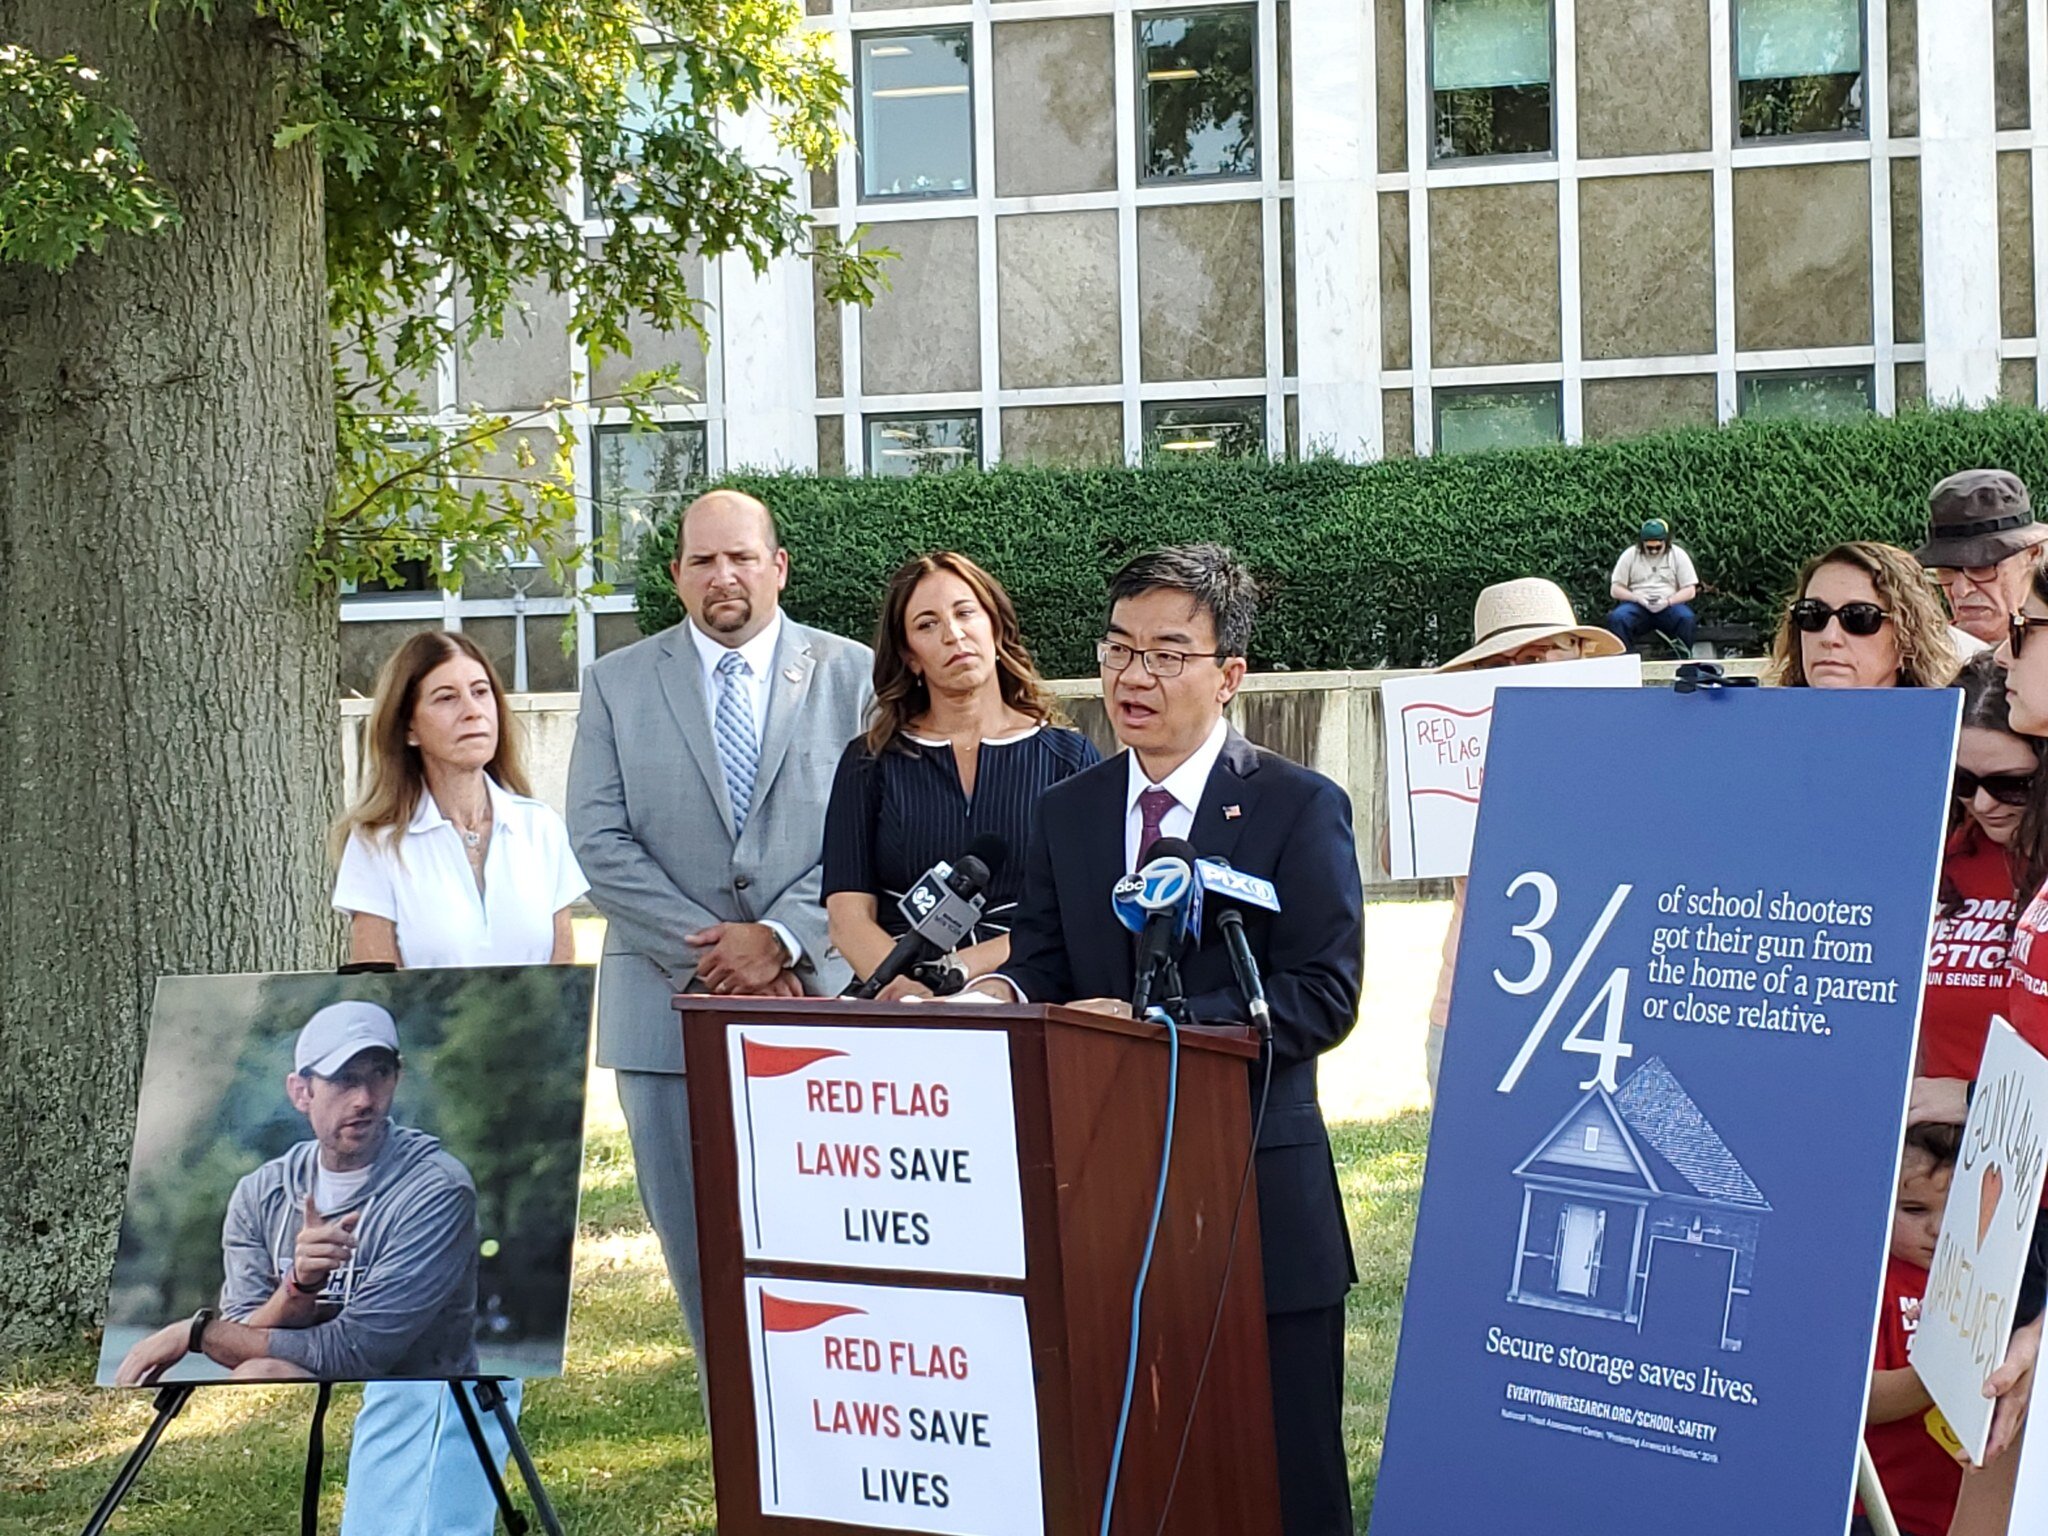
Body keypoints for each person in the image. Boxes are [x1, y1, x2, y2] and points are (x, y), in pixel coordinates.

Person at [967, 544, 1363, 1536]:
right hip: (1108, 1205)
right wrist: (990, 1000)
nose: (1132, 677)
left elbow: (1322, 992)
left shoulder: (1294, 806)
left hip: (1256, 1201)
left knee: (1287, 1481)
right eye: (1116, 649)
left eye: (1165, 655)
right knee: (1132, 1470)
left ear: (1228, 674)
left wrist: (1157, 1031)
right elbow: (1049, 966)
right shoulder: (1068, 810)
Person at [567, 488, 872, 1396]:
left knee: (825, 1235)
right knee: (697, 1246)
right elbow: (598, 839)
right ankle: (736, 1432)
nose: (723, 576)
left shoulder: (852, 675)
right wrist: (717, 955)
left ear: (779, 566)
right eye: (702, 561)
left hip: (815, 1004)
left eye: (741, 557)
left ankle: (832, 1420)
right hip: (663, 1020)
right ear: (677, 577)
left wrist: (781, 938)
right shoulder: (617, 683)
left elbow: (878, 833)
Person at [328, 630, 587, 1536]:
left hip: (520, 1131)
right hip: (416, 1143)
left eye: (482, 691)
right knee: (404, 1366)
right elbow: (371, 1000)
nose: (474, 709)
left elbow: (559, 984)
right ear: (406, 725)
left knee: (497, 1364)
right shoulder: (378, 845)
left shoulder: (539, 829)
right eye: (447, 696)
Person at [114, 1002, 481, 1387]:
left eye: (380, 1075)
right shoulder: (261, 1193)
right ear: (301, 1092)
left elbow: (357, 1354)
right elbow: (241, 1335)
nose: (365, 1099)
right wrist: (298, 1288)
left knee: (263, 1368)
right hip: (310, 1403)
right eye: (345, 1079)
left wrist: (196, 1334)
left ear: (397, 1077)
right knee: (259, 1369)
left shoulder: (437, 1190)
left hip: (422, 1404)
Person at [823, 552, 1100, 998]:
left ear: (995, 626)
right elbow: (847, 914)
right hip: (895, 1007)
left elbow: (1078, 913)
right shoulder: (868, 762)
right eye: (927, 624)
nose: (953, 634)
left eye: (965, 612)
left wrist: (956, 976)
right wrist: (906, 991)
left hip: (1023, 995)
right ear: (911, 656)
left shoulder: (1070, 759)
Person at [1423, 577, 1625, 1098]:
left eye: (1536, 657)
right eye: (1496, 664)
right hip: (1471, 1011)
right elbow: (1397, 851)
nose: (1515, 675)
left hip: (1601, 1009)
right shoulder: (1455, 751)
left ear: (1578, 654)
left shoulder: (1626, 746)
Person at [1855, 1123, 1964, 1536]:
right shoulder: (1877, 1283)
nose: (1938, 1229)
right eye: (1914, 1210)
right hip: (1881, 1512)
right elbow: (1861, 1403)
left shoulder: (1999, 1283)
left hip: (1963, 1509)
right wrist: (1943, 1370)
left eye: (1958, 1209)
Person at [1768, 541, 1960, 690]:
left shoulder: (1947, 734)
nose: (1829, 637)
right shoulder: (1760, 731)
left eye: (1859, 617)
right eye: (1812, 613)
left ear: (1907, 639)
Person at [1917, 468, 2048, 650]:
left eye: (1982, 568)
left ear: (2032, 554)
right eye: (1944, 571)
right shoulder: (1924, 658)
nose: (1960, 591)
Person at [1605, 518, 1700, 654]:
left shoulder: (1678, 555)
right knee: (1618, 618)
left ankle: (1680, 660)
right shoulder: (1630, 555)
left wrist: (1668, 601)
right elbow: (1615, 589)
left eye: (1658, 547)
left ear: (1666, 543)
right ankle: (1626, 661)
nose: (1654, 551)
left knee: (1686, 618)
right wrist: (1637, 598)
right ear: (1642, 543)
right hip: (1637, 606)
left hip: (1669, 605)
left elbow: (1690, 590)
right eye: (1649, 547)